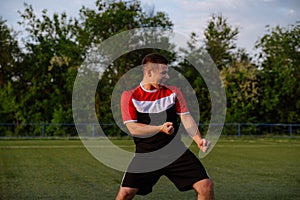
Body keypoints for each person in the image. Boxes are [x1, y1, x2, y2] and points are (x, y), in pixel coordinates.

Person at [115, 53, 214, 200]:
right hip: (147, 154)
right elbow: (133, 128)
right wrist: (159, 128)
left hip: (175, 151)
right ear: (149, 72)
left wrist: (198, 139)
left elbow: (186, 117)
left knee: (205, 186)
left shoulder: (173, 92)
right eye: (163, 73)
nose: (167, 77)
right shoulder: (129, 96)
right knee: (125, 194)